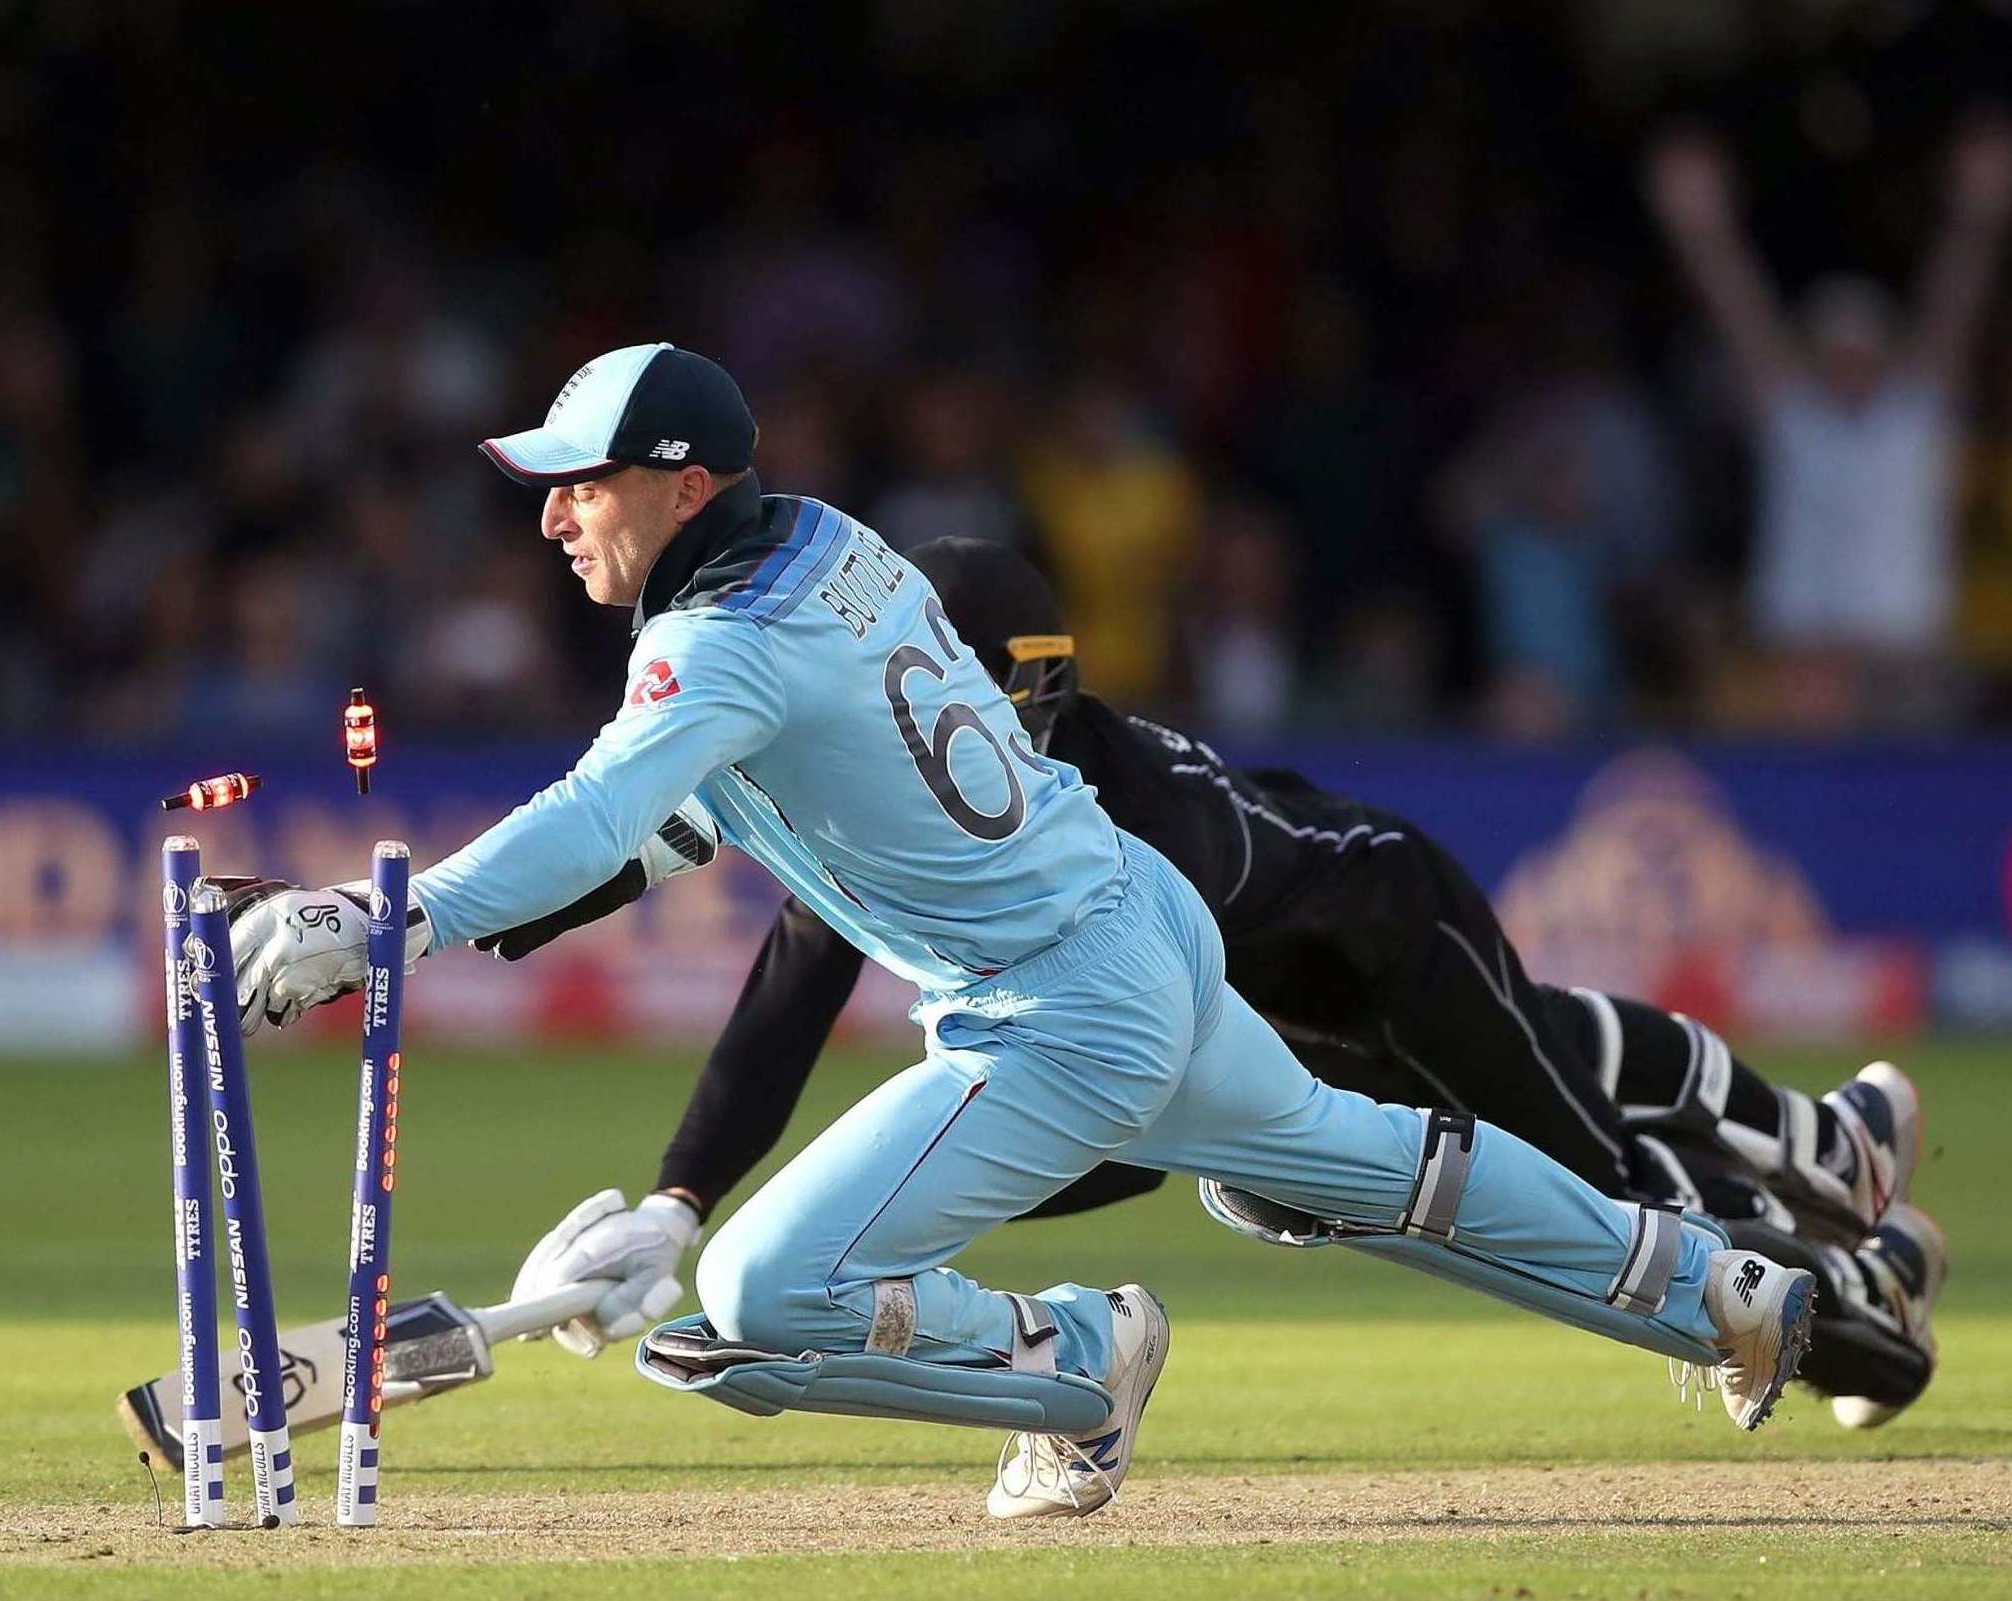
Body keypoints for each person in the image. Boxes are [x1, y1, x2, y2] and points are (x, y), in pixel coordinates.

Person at [226, 344, 1812, 1521]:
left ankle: (1074, 1359)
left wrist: (394, 924)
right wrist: (649, 1176)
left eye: (583, 479)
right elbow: (682, 825)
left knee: (770, 1298)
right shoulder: (826, 542)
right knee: (1388, 1168)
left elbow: (593, 814)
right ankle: (1712, 1288)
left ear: (683, 484)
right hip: (1140, 925)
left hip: (1057, 1009)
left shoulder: (716, 648)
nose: (557, 514)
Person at [479, 536, 1943, 1432]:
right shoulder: (912, 811)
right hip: (1245, 1010)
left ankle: (1856, 1293)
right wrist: (686, 1195)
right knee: (1432, 1149)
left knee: (1595, 1172)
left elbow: (1108, 1111)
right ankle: (1822, 1150)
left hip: (1376, 943)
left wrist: (917, 1201)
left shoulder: (1112, 813)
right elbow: (785, 987)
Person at [1645, 117, 2012, 727]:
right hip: (1798, 667)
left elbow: (1953, 310)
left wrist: (1978, 216)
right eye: (1832, 351)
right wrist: (1700, 230)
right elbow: (1744, 317)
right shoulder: (1796, 423)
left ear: (1887, 356)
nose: (1847, 365)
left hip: (1903, 669)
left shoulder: (1913, 420)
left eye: (1862, 351)